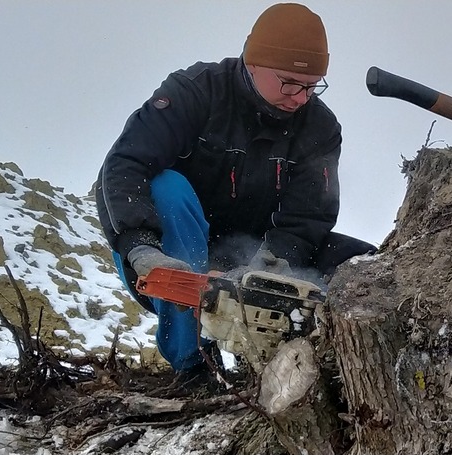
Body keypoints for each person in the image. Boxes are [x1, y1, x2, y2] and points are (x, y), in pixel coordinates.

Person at [94, 3, 375, 384]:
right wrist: (140, 246)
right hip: (168, 256)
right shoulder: (195, 92)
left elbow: (311, 214)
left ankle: (301, 366)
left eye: (311, 86)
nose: (300, 97)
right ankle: (193, 366)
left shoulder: (320, 127)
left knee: (361, 263)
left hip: (253, 259)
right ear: (253, 61)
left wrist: (272, 260)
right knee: (168, 188)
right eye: (289, 83)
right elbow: (124, 164)